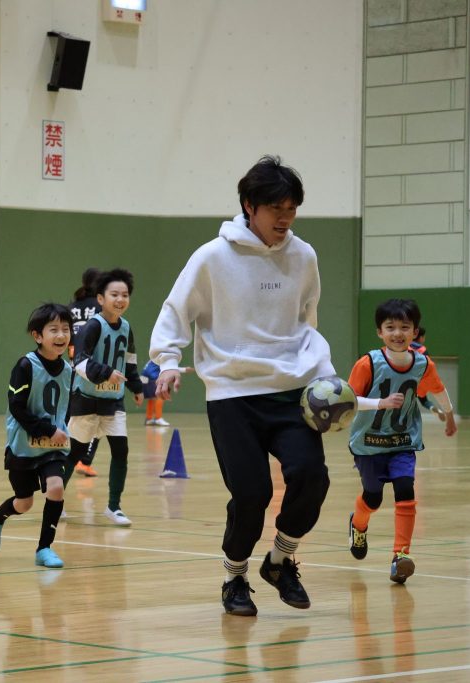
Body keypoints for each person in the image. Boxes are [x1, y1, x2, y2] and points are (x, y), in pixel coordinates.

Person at [150, 155, 334, 617]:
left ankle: (280, 560)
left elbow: (307, 321)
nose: (285, 218)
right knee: (251, 494)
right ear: (250, 206)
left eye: (292, 208)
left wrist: (321, 374)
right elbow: (176, 311)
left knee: (312, 477)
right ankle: (235, 576)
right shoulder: (212, 257)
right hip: (233, 395)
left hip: (290, 391)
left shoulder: (304, 256)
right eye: (276, 208)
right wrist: (167, 361)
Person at [346, 299, 457, 584]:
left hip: (403, 441)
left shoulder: (423, 364)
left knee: (406, 490)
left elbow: (438, 389)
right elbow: (349, 400)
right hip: (369, 443)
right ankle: (358, 525)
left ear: (415, 332)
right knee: (372, 497)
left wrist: (449, 415)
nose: (398, 333)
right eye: (390, 327)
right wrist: (380, 403)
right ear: (379, 332)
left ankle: (400, 556)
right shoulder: (368, 363)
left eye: (405, 327)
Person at [0, 303, 73, 568]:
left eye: (65, 329)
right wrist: (48, 430)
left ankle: (44, 548)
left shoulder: (68, 370)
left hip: (52, 447)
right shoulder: (25, 365)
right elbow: (17, 407)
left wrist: (61, 429)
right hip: (23, 445)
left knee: (56, 488)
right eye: (53, 329)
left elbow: (65, 406)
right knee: (24, 503)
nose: (61, 335)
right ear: (37, 335)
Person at [63, 268, 144, 526]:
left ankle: (114, 507)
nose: (120, 299)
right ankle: (55, 499)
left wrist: (136, 387)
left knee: (121, 451)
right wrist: (106, 373)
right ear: (100, 299)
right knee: (75, 452)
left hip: (113, 401)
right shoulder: (93, 326)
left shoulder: (126, 327)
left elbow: (129, 361)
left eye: (125, 295)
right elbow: (79, 362)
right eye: (114, 294)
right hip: (86, 400)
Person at [68, 267, 103, 477]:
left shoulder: (72, 307)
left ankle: (65, 455)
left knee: (71, 415)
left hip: (71, 368)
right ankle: (84, 460)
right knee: (98, 415)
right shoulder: (101, 307)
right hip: (92, 369)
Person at [140, 361, 192, 426]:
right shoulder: (161, 358)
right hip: (151, 377)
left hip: (144, 378)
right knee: (160, 395)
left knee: (152, 398)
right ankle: (158, 418)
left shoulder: (154, 358)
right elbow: (170, 368)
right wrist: (185, 369)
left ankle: (149, 419)